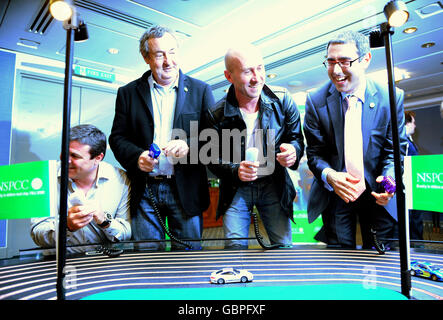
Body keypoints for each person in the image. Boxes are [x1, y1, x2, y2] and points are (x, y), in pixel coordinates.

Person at [109, 25, 215, 250]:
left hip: (185, 190)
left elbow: (215, 138)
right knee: (148, 261)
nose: (168, 61)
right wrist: (137, 157)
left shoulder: (201, 90)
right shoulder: (127, 93)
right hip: (145, 191)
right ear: (146, 57)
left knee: (188, 261)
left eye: (173, 52)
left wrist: (189, 146)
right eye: (159, 54)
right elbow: (117, 138)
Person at [303, 30, 408, 249]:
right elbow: (315, 154)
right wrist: (331, 176)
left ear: (366, 59)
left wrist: (389, 183)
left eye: (345, 61)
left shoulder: (390, 97)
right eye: (331, 62)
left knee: (381, 259)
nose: (337, 70)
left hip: (377, 195)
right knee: (340, 262)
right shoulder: (315, 100)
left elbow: (394, 151)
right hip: (336, 195)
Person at [205, 44, 304, 249]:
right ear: (229, 76)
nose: (256, 77)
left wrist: (293, 151)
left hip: (274, 183)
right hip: (235, 188)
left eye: (260, 68)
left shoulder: (282, 99)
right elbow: (211, 158)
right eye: (247, 71)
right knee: (235, 248)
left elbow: (296, 139)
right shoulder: (216, 113)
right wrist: (235, 169)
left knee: (283, 246)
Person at [31, 124, 131, 254]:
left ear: (97, 159)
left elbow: (126, 233)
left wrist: (105, 221)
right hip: (58, 263)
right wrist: (67, 226)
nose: (66, 160)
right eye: (64, 152)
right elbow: (37, 234)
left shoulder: (120, 180)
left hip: (103, 263)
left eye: (74, 156)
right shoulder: (45, 177)